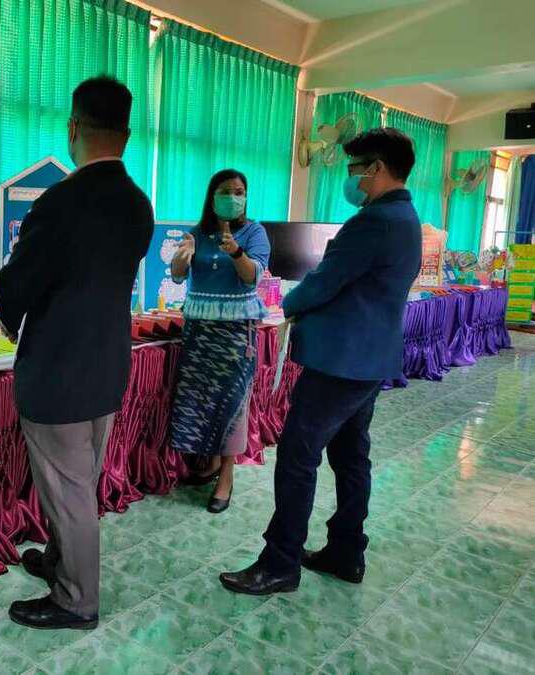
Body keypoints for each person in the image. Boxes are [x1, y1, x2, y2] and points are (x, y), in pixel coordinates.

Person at [219, 128, 422, 595]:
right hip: (368, 361)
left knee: (297, 456)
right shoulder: (407, 217)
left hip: (340, 363)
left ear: (377, 168)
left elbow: (327, 279)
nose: (351, 178)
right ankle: (346, 552)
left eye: (355, 169)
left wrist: (285, 306)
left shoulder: (374, 221)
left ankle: (280, 563)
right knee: (351, 457)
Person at [0, 76, 153, 630]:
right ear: (126, 135)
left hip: (58, 370)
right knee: (78, 481)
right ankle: (62, 561)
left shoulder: (59, 202)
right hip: (107, 364)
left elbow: (20, 281)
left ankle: (76, 599)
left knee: (69, 491)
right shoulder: (138, 204)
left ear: (73, 128)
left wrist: (8, 316)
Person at [169, 170, 270, 513]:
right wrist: (180, 259)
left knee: (232, 403)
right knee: (201, 400)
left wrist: (237, 252)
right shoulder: (197, 234)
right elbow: (178, 275)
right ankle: (210, 462)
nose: (233, 197)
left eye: (239, 191)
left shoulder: (254, 232)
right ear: (212, 197)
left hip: (235, 334)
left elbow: (252, 277)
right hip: (199, 332)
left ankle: (226, 476)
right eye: (225, 191)